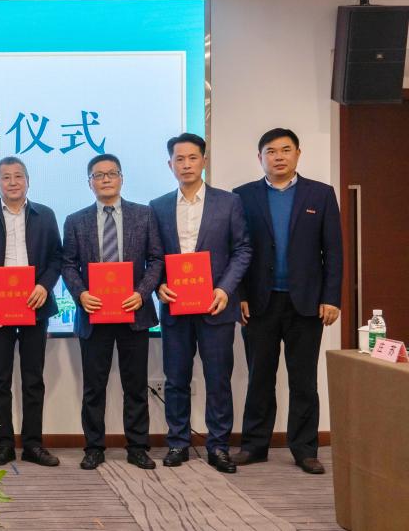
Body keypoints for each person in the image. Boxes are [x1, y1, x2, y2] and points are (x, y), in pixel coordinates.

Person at [233, 128, 342, 475]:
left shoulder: (320, 194)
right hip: (259, 303)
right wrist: (239, 296)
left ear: (298, 153)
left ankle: (305, 449)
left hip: (306, 303)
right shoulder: (243, 196)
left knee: (304, 380)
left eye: (285, 150)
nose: (278, 157)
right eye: (271, 151)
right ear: (260, 157)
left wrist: (331, 297)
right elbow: (237, 251)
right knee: (259, 377)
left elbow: (334, 250)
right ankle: (254, 446)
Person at [149, 134, 251, 473]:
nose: (186, 164)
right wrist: (159, 285)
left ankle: (218, 446)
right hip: (176, 307)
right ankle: (178, 443)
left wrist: (225, 290)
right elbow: (153, 256)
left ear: (204, 161)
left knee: (218, 379)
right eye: (179, 159)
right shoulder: (158, 206)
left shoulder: (229, 202)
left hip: (215, 307)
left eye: (192, 158)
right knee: (176, 379)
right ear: (170, 165)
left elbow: (242, 249)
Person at [61, 153, 163, 471]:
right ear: (89, 183)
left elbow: (156, 260)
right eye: (98, 175)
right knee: (94, 387)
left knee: (135, 385)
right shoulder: (75, 220)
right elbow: (68, 264)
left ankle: (137, 447)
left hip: (133, 313)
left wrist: (141, 293)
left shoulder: (144, 215)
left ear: (121, 178)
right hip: (94, 314)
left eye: (111, 173)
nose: (105, 179)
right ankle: (94, 448)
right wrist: (81, 294)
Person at [0, 156, 62, 467]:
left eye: (18, 176)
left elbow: (57, 258)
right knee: (0, 380)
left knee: (33, 379)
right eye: (6, 177)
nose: (12, 182)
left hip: (35, 306)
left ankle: (33, 444)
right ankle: (4, 444)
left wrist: (44, 286)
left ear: (28, 181)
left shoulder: (45, 215)